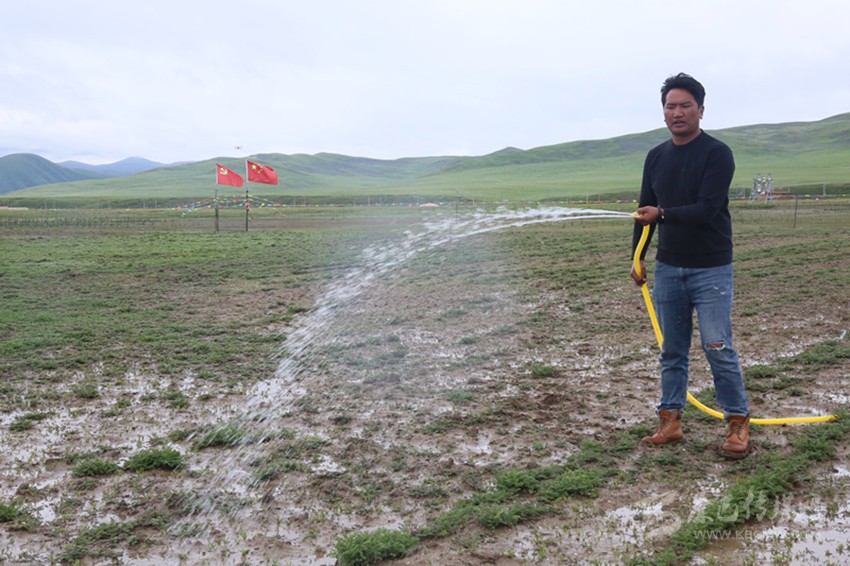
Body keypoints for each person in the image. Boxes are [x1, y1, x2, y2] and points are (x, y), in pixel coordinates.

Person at [631, 72, 751, 460]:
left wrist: (662, 214)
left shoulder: (717, 153)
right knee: (672, 351)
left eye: (685, 105)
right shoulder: (656, 156)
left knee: (717, 347)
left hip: (711, 269)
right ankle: (670, 421)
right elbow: (644, 210)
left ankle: (737, 423)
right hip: (668, 268)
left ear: (701, 109)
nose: (677, 112)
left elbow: (707, 209)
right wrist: (637, 257)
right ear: (663, 111)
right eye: (671, 106)